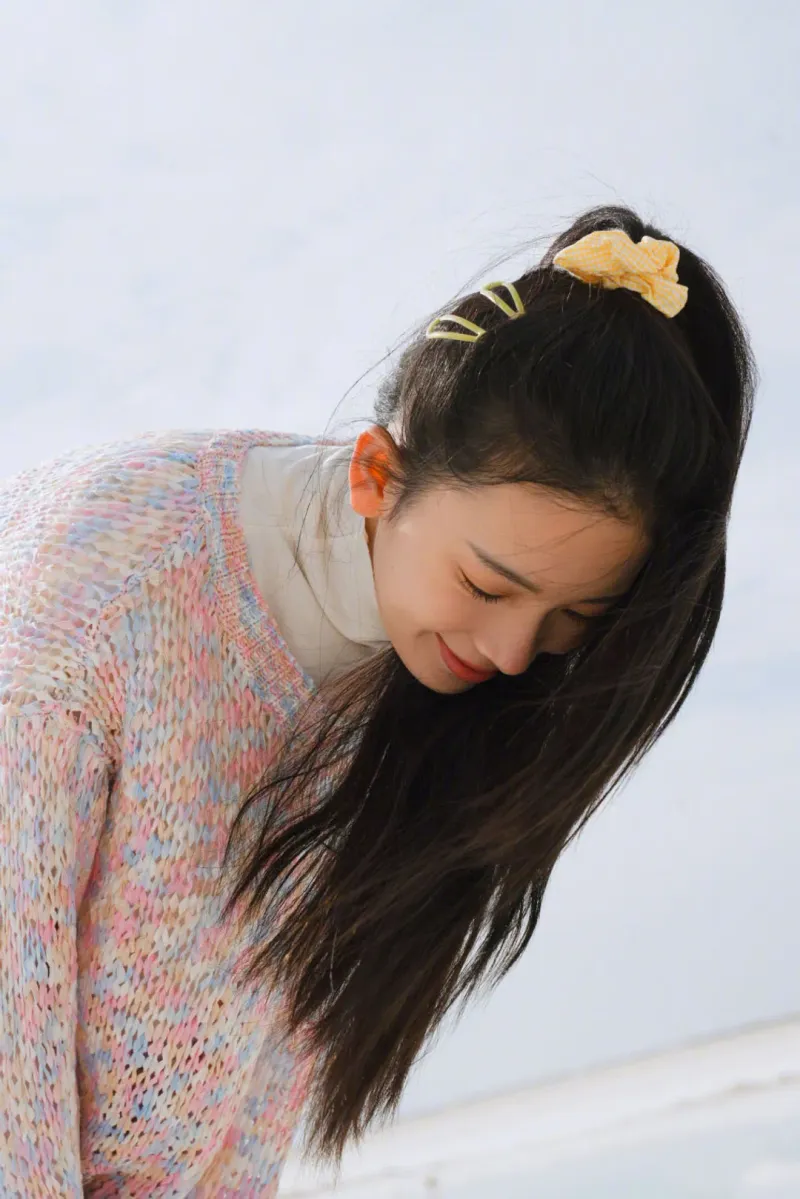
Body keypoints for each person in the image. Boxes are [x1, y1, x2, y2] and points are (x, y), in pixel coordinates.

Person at [0, 203, 756, 1195]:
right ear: (376, 473)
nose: (512, 651)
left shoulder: (416, 689)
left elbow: (242, 1117)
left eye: (573, 617)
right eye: (486, 585)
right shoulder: (95, 606)